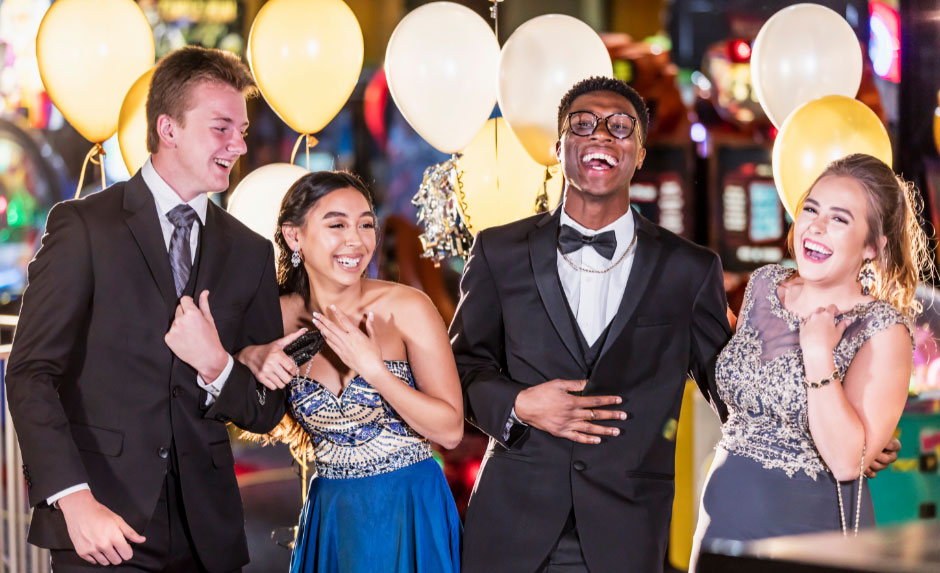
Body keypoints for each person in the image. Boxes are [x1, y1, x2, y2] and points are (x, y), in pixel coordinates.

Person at [449, 77, 900, 573]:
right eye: (583, 124)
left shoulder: (688, 270)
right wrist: (519, 404)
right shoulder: (499, 252)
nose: (601, 135)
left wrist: (842, 427)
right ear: (559, 147)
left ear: (641, 154)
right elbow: (462, 371)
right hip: (511, 524)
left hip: (626, 533)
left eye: (620, 127)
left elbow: (733, 381)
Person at [5, 46, 286, 571]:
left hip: (210, 533)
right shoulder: (85, 227)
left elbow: (266, 409)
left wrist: (216, 366)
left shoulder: (250, 252)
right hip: (102, 523)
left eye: (242, 130)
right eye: (222, 127)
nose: (239, 145)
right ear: (168, 128)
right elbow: (29, 374)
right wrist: (74, 502)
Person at [690, 154, 929, 567]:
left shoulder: (883, 329)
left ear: (872, 245)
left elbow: (846, 460)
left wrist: (818, 355)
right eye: (811, 209)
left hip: (810, 536)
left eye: (839, 219)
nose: (816, 227)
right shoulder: (763, 286)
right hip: (720, 523)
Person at [234, 170, 463, 572]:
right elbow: (218, 385)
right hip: (333, 516)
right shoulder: (272, 316)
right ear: (294, 237)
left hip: (411, 507)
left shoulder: (407, 307)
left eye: (365, 225)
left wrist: (374, 370)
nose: (355, 240)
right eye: (337, 224)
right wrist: (250, 355)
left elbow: (450, 430)